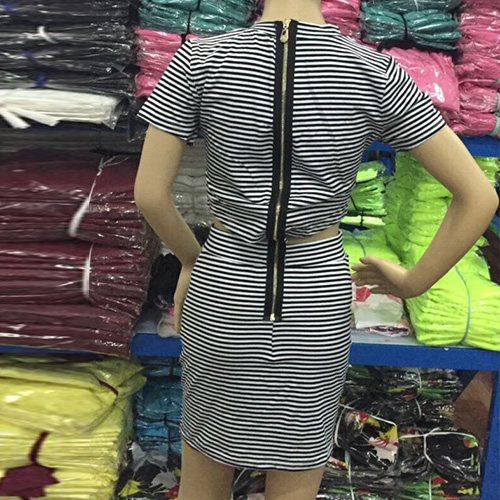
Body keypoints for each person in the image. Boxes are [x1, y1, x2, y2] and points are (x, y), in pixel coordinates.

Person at [134, 0, 499, 498]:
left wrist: (191, 260)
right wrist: (413, 282)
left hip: (223, 284)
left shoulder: (198, 61)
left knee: (205, 460)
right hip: (316, 293)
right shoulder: (373, 70)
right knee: (298, 463)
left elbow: (150, 195)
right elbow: (478, 196)